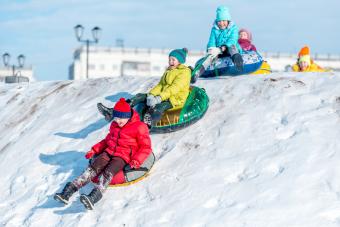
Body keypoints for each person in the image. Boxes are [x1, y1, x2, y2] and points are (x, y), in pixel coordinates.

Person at [54, 98, 152, 210]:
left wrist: (137, 160)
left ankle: (93, 197)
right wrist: (94, 150)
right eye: (116, 118)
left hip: (122, 157)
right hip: (109, 152)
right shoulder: (114, 126)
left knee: (108, 173)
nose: (118, 121)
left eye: (121, 118)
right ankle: (68, 192)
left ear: (128, 116)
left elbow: (146, 147)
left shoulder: (139, 127)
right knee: (92, 169)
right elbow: (107, 141)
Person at [98, 48, 191, 128]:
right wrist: (151, 95)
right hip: (163, 95)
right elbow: (161, 85)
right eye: (169, 59)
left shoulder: (184, 72)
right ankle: (112, 112)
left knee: (158, 107)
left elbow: (174, 88)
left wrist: (159, 98)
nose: (170, 62)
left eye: (173, 60)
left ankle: (147, 124)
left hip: (175, 98)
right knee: (139, 96)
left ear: (179, 61)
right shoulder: (169, 70)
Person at [193, 6, 244, 79]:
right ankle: (198, 72)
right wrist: (211, 50)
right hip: (218, 50)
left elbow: (233, 39)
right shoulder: (214, 29)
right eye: (219, 21)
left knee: (232, 47)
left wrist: (224, 47)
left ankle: (237, 59)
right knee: (210, 56)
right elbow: (211, 41)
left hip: (229, 49)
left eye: (224, 21)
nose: (221, 23)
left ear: (228, 20)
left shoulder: (233, 28)